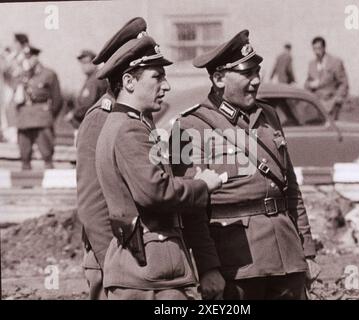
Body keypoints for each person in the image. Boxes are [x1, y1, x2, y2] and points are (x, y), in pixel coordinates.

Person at [171, 30, 320, 300]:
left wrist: (306, 250)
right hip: (237, 265)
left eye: (258, 72)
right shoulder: (187, 126)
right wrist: (207, 267)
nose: (256, 81)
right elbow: (191, 209)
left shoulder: (269, 116)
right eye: (247, 73)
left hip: (287, 256)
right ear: (218, 78)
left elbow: (290, 188)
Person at [94, 32, 224, 300]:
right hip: (148, 276)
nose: (165, 86)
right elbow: (155, 192)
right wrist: (202, 185)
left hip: (146, 272)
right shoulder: (129, 129)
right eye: (157, 77)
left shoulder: (128, 124)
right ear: (128, 81)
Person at [76, 17, 148, 300]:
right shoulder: (100, 118)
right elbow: (91, 200)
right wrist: (112, 262)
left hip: (136, 253)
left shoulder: (137, 116)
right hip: (111, 255)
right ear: (124, 75)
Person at [13, 46, 62, 170]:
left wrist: (49, 115)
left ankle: (51, 181)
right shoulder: (20, 75)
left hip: (42, 118)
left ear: (36, 57)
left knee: (47, 153)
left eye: (30, 57)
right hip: (24, 119)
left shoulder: (48, 74)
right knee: (24, 154)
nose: (27, 60)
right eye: (25, 57)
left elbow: (57, 99)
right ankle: (26, 184)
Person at [304, 36, 349, 120]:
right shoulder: (311, 64)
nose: (317, 52)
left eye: (319, 48)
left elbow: (344, 83)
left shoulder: (335, 62)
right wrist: (310, 84)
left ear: (324, 48)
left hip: (331, 104)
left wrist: (337, 100)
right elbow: (306, 83)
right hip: (316, 106)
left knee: (330, 131)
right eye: (314, 49)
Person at [64, 50, 108, 129]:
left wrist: (73, 114)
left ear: (95, 63)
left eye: (86, 62)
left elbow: (87, 104)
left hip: (92, 123)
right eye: (81, 63)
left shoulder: (95, 80)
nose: (83, 66)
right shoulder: (92, 78)